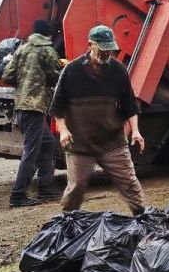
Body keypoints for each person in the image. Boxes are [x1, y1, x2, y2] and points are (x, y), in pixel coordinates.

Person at [49, 25, 146, 215]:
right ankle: (67, 222)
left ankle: (143, 217)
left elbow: (129, 105)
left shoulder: (118, 70)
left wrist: (135, 130)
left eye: (110, 48)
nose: (107, 53)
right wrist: (63, 129)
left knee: (129, 183)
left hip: (112, 141)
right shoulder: (72, 70)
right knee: (76, 188)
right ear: (90, 45)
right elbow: (57, 106)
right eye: (102, 48)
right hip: (80, 143)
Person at [2, 19, 62, 208]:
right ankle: (18, 194)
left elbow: (7, 75)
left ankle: (45, 188)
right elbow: (56, 75)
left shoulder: (22, 50)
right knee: (31, 151)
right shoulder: (47, 50)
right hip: (35, 107)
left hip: (21, 105)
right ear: (48, 35)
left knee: (48, 143)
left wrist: (24, 84)